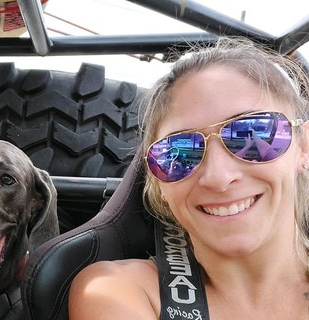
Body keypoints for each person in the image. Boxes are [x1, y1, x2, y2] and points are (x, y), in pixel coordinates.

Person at [68, 36, 309, 319]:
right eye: (178, 153)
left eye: (251, 134)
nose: (217, 177)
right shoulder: (118, 291)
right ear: (159, 186)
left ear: (303, 146)